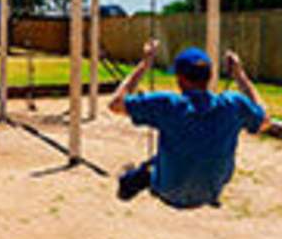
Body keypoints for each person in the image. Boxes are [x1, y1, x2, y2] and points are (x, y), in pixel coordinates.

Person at [108, 40, 268, 209]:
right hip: (211, 190)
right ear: (210, 76)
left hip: (168, 190)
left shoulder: (168, 105)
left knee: (148, 167)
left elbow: (115, 104)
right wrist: (240, 75)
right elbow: (265, 121)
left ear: (180, 79)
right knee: (190, 149)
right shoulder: (233, 104)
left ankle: (130, 180)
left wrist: (144, 64)